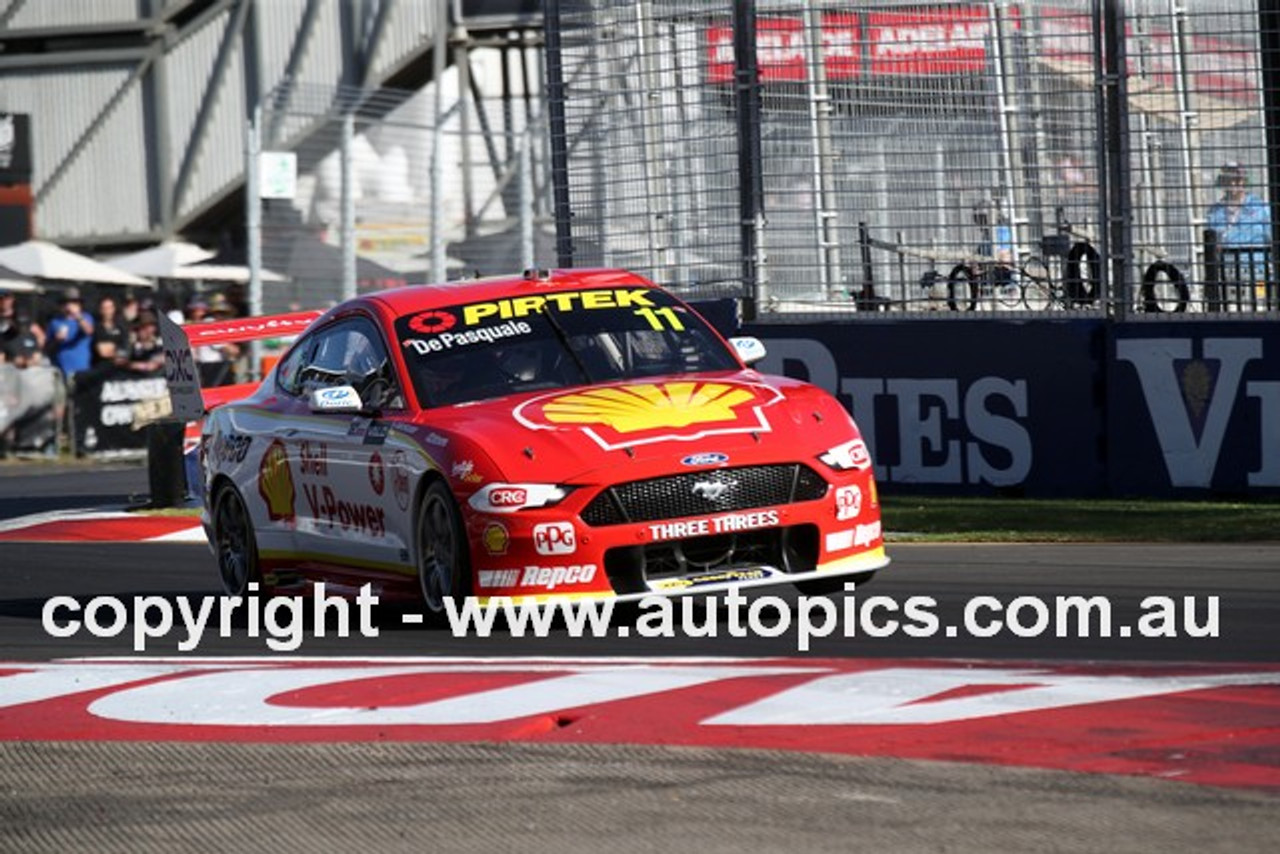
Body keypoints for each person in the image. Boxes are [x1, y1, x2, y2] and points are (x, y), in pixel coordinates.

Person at [1206, 162, 1272, 308]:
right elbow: (1211, 244)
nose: (1234, 183)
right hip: (1227, 275)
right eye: (1229, 179)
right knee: (1231, 311)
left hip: (1258, 274)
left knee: (1260, 309)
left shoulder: (1260, 208)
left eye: (1237, 179)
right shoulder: (1215, 212)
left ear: (1244, 181)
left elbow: (1272, 239)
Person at [45, 287, 95, 380]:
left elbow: (89, 331)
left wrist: (77, 316)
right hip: (60, 370)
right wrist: (57, 340)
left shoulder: (86, 317)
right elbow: (47, 347)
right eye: (66, 303)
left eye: (74, 302)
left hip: (80, 369)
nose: (69, 306)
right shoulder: (55, 321)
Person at [91, 295, 129, 367]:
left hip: (120, 368)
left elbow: (126, 348)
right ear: (100, 310)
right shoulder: (97, 328)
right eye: (104, 308)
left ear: (114, 309)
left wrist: (114, 348)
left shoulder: (121, 327)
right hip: (101, 368)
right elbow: (103, 352)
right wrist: (117, 348)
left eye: (109, 307)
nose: (107, 311)